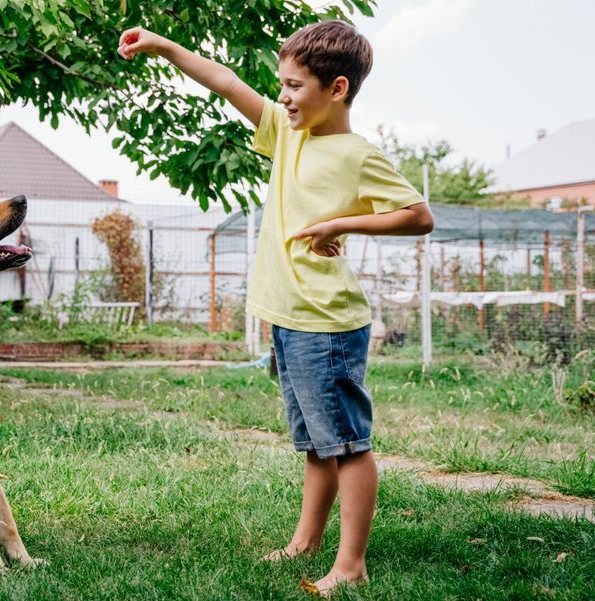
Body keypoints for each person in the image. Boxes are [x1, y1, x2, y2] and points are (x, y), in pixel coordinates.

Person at [118, 20, 434, 596]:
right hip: (289, 318)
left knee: (347, 445)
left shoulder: (357, 155)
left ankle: (351, 564)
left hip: (327, 324)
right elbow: (223, 81)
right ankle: (306, 541)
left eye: (294, 86)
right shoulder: (288, 132)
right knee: (316, 443)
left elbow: (418, 215)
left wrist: (344, 222)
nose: (283, 97)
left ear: (336, 89)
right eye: (281, 85)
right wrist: (164, 47)